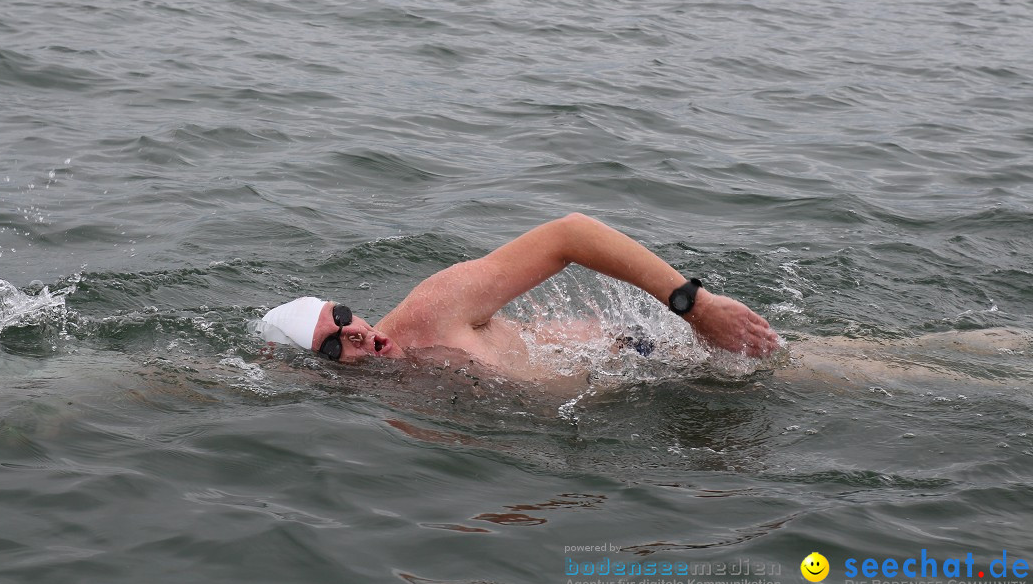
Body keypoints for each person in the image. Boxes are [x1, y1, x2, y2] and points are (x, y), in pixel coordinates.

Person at [258, 213, 781, 374]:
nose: (353, 332)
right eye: (332, 345)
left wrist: (696, 307)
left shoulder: (433, 311)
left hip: (655, 356)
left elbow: (570, 235)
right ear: (321, 373)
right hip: (645, 394)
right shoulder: (395, 409)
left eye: (342, 315)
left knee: (839, 374)